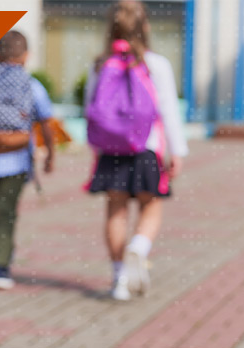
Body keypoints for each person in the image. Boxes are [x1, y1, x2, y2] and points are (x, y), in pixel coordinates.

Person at [84, 0, 188, 301]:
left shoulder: (101, 64)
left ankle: (119, 279)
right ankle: (138, 247)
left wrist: (96, 146)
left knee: (115, 210)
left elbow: (91, 109)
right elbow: (168, 110)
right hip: (146, 149)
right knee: (151, 205)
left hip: (111, 149)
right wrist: (176, 152)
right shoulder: (156, 64)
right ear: (145, 27)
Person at [0, 30, 55, 290]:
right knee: (5, 212)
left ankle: (2, 252)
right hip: (14, 159)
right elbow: (46, 121)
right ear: (26, 56)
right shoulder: (30, 84)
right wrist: (50, 153)